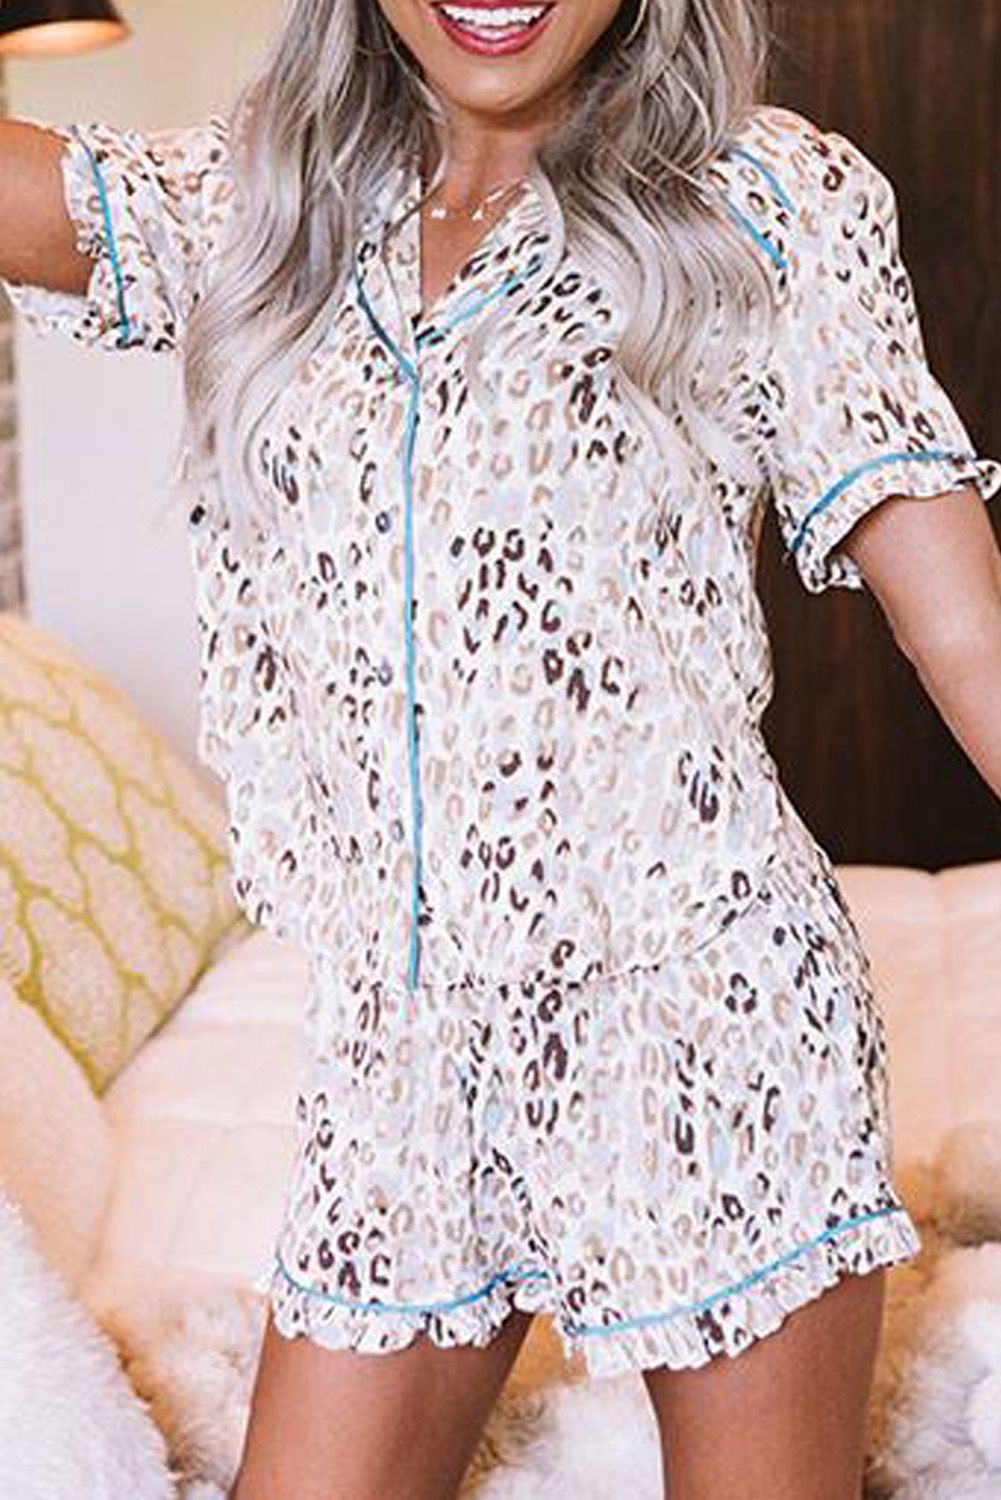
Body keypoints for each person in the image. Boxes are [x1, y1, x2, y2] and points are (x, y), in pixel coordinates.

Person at [2, 0, 1001, 1496]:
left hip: (704, 1026)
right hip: (397, 1057)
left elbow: (967, 635)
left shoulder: (767, 198)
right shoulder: (261, 206)